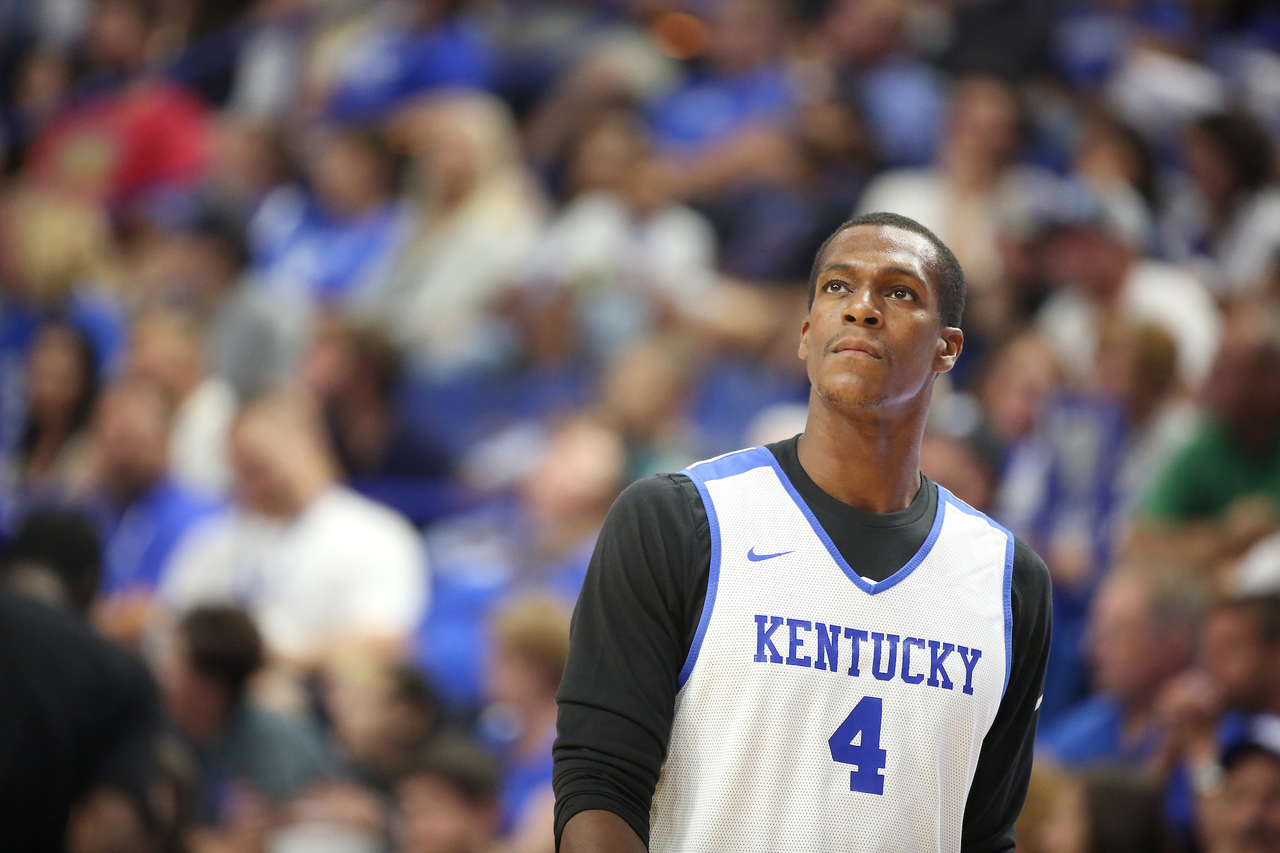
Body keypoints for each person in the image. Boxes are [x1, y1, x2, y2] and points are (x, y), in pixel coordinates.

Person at [553, 212, 1053, 852]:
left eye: (899, 292)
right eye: (838, 288)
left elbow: (984, 833)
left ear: (947, 348)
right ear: (806, 330)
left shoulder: (1008, 582)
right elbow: (599, 784)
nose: (862, 309)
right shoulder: (680, 520)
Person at [154, 605, 339, 832]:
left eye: (174, 662)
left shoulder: (279, 747)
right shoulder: (157, 731)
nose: (160, 673)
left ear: (212, 687)